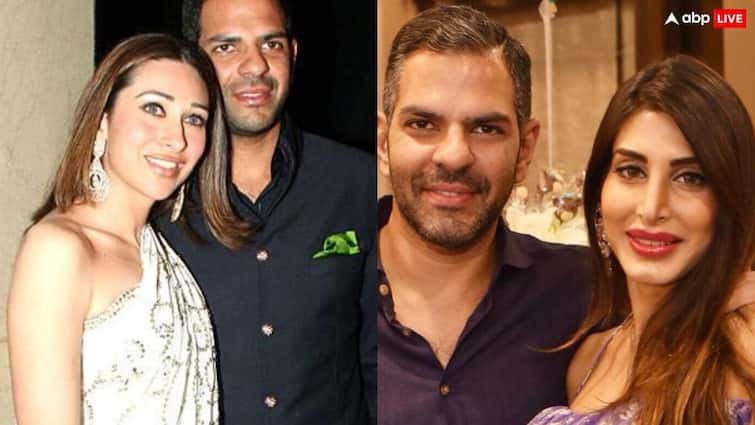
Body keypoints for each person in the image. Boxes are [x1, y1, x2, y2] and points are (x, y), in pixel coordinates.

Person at [8, 33, 248, 424]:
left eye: (194, 118)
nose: (177, 139)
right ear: (102, 122)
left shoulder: (160, 249)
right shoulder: (59, 249)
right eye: (154, 108)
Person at [156, 0, 377, 424]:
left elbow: (382, 361)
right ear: (193, 61)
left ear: (293, 53)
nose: (255, 65)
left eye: (270, 44)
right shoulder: (160, 201)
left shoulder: (358, 183)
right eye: (227, 47)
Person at [376, 6, 590, 425]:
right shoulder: (322, 285)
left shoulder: (587, 294)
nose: (454, 155)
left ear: (525, 149)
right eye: (423, 124)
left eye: (486, 129)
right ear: (384, 143)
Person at [528, 55, 755, 425]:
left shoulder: (746, 346)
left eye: (690, 177)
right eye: (631, 171)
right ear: (599, 193)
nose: (652, 208)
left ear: (730, 202)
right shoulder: (590, 358)